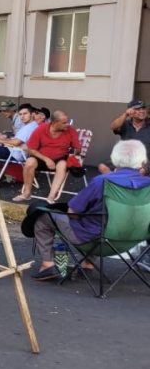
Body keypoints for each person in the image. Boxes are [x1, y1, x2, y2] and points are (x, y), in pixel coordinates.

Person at [28, 140, 150, 281]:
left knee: (44, 217)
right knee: (96, 219)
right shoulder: (147, 184)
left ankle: (47, 265)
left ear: (115, 159)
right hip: (131, 241)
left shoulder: (102, 181)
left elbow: (72, 211)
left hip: (96, 241)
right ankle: (87, 265)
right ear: (142, 160)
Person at [16, 110, 80, 203]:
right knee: (29, 162)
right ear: (54, 123)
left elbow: (77, 148)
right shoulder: (41, 129)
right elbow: (31, 149)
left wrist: (76, 151)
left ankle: (51, 196)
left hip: (60, 158)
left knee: (62, 165)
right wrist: (46, 159)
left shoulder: (70, 130)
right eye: (64, 123)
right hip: (41, 157)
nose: (67, 124)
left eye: (67, 121)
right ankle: (26, 193)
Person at [98, 99, 150, 174]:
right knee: (102, 166)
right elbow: (113, 127)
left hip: (144, 160)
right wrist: (126, 114)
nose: (142, 111)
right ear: (130, 111)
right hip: (124, 158)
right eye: (138, 109)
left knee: (139, 172)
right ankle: (116, 182)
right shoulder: (125, 124)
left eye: (143, 108)